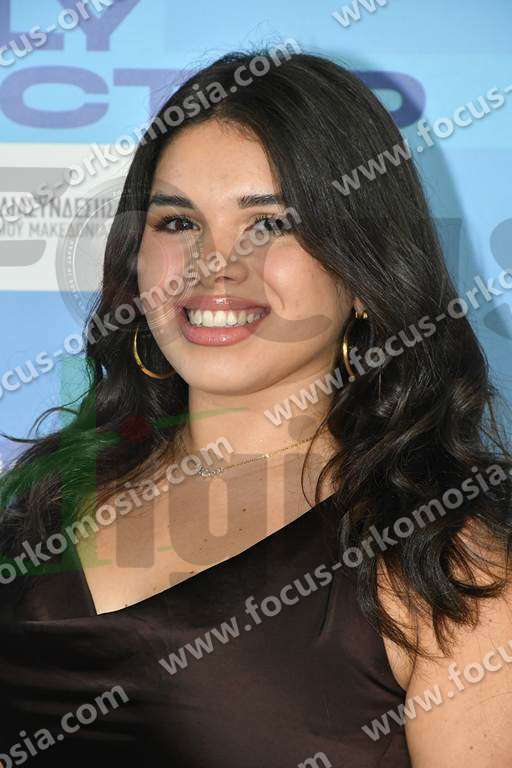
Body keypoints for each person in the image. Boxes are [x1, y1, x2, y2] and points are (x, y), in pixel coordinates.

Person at [1, 48, 511, 767]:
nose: (213, 266)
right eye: (178, 223)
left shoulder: (447, 560)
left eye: (268, 224)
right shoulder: (49, 496)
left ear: (366, 272)